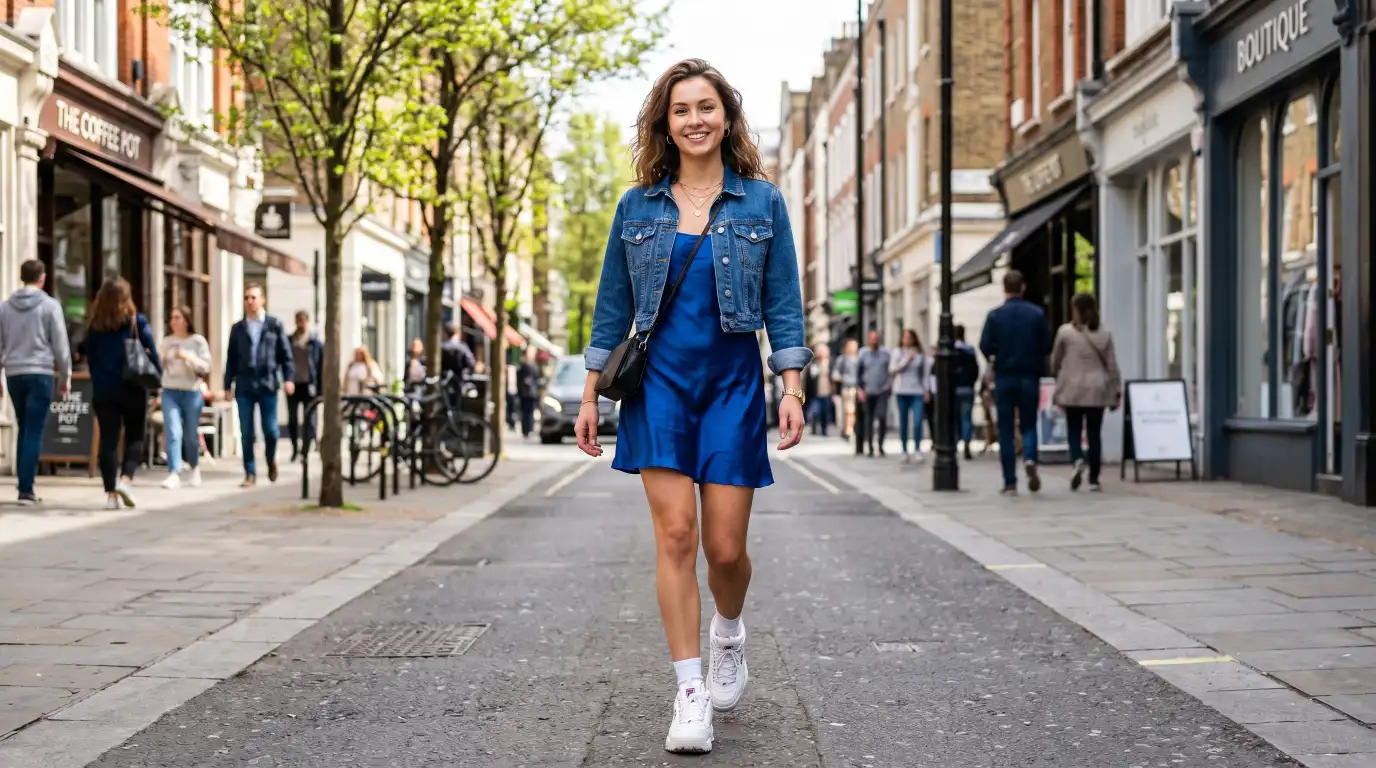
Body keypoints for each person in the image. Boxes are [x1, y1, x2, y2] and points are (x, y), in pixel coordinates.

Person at [573, 59, 810, 755]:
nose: (695, 120)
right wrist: (589, 393)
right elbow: (612, 307)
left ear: (726, 118)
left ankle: (728, 633)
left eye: (706, 107)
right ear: (665, 123)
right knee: (676, 535)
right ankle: (689, 692)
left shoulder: (762, 203)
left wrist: (791, 386)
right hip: (660, 389)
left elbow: (784, 304)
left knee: (725, 549)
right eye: (681, 110)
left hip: (732, 386)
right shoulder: (637, 207)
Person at [82, 278, 160, 509]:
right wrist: (158, 379)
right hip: (132, 386)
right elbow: (152, 353)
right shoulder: (136, 321)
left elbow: (90, 359)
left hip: (104, 389)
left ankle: (110, 496)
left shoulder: (94, 326)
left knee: (108, 440)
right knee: (135, 435)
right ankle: (126, 480)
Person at [0, 260, 72, 505]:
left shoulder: (5, 308)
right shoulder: (50, 306)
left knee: (24, 427)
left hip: (14, 374)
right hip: (40, 372)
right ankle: (26, 489)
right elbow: (60, 345)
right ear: (42, 278)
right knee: (34, 429)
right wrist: (65, 376)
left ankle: (24, 482)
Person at [980, 270, 1052, 495]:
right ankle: (1030, 457)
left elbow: (985, 345)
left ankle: (1010, 481)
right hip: (1029, 375)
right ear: (1023, 288)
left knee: (1006, 429)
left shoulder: (995, 316)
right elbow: (1046, 344)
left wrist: (997, 355)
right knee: (1029, 423)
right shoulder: (1036, 314)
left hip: (1005, 376)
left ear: (1004, 288)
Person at [223, 283, 295, 487]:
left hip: (267, 383)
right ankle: (250, 472)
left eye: (253, 297)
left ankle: (271, 460)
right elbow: (231, 358)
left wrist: (288, 378)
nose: (249, 301)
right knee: (246, 432)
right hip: (244, 384)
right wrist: (227, 385)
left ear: (262, 300)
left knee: (270, 430)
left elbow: (285, 355)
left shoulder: (274, 324)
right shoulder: (238, 328)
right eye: (246, 298)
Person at [1051, 292, 1122, 492]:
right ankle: (1094, 479)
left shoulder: (1065, 333)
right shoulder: (1104, 333)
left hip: (1072, 389)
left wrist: (1058, 376)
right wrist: (1117, 390)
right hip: (1097, 390)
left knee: (1073, 430)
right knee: (1094, 434)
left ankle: (1077, 460)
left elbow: (1055, 360)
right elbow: (1112, 365)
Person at [158, 306, 212, 489]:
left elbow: (206, 366)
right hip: (169, 390)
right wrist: (161, 360)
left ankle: (194, 467)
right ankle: (174, 472)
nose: (173, 321)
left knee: (190, 434)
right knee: (173, 431)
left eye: (177, 317)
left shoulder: (197, 341)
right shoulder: (166, 342)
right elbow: (159, 366)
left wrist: (187, 356)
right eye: (172, 318)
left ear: (186, 320)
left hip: (191, 391)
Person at [286, 310, 323, 462]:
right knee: (292, 419)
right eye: (298, 320)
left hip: (309, 385)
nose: (300, 324)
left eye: (303, 321)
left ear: (307, 321)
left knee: (310, 419)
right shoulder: (289, 341)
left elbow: (320, 366)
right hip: (293, 384)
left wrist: (320, 389)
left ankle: (305, 450)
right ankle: (295, 447)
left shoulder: (315, 342)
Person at [890, 329, 931, 463]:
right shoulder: (897, 352)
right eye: (905, 337)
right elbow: (893, 369)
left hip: (917, 391)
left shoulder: (920, 354)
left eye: (909, 338)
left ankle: (917, 449)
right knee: (904, 422)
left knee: (918, 421)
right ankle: (904, 450)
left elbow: (925, 374)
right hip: (901, 391)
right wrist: (906, 359)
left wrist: (926, 390)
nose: (907, 340)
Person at [856, 329, 892, 457]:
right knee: (869, 419)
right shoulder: (863, 353)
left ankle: (881, 445)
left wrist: (888, 385)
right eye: (872, 338)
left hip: (882, 390)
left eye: (876, 338)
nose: (874, 341)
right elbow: (859, 373)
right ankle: (870, 446)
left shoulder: (885, 354)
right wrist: (860, 389)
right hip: (868, 390)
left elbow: (889, 371)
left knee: (882, 417)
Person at [953, 325, 981, 460]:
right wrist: (971, 382)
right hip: (967, 388)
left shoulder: (951, 351)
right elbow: (976, 370)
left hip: (954, 389)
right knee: (966, 418)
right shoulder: (969, 351)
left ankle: (954, 442)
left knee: (954, 418)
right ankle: (967, 442)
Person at [804, 344, 834, 437]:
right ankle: (813, 428)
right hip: (815, 392)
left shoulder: (830, 363)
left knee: (825, 412)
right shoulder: (813, 364)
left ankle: (824, 429)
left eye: (823, 351)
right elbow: (809, 379)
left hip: (827, 391)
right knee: (815, 411)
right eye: (819, 351)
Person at [832, 337, 859, 439]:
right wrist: (840, 378)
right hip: (847, 388)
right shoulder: (842, 359)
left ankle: (849, 429)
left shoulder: (859, 358)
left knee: (852, 410)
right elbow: (835, 373)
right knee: (848, 410)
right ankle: (848, 429)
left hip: (857, 388)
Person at [515, 347, 540, 438]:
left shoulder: (531, 366)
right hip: (526, 393)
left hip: (530, 393)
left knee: (529, 412)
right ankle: (527, 429)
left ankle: (528, 429)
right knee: (526, 412)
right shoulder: (525, 366)